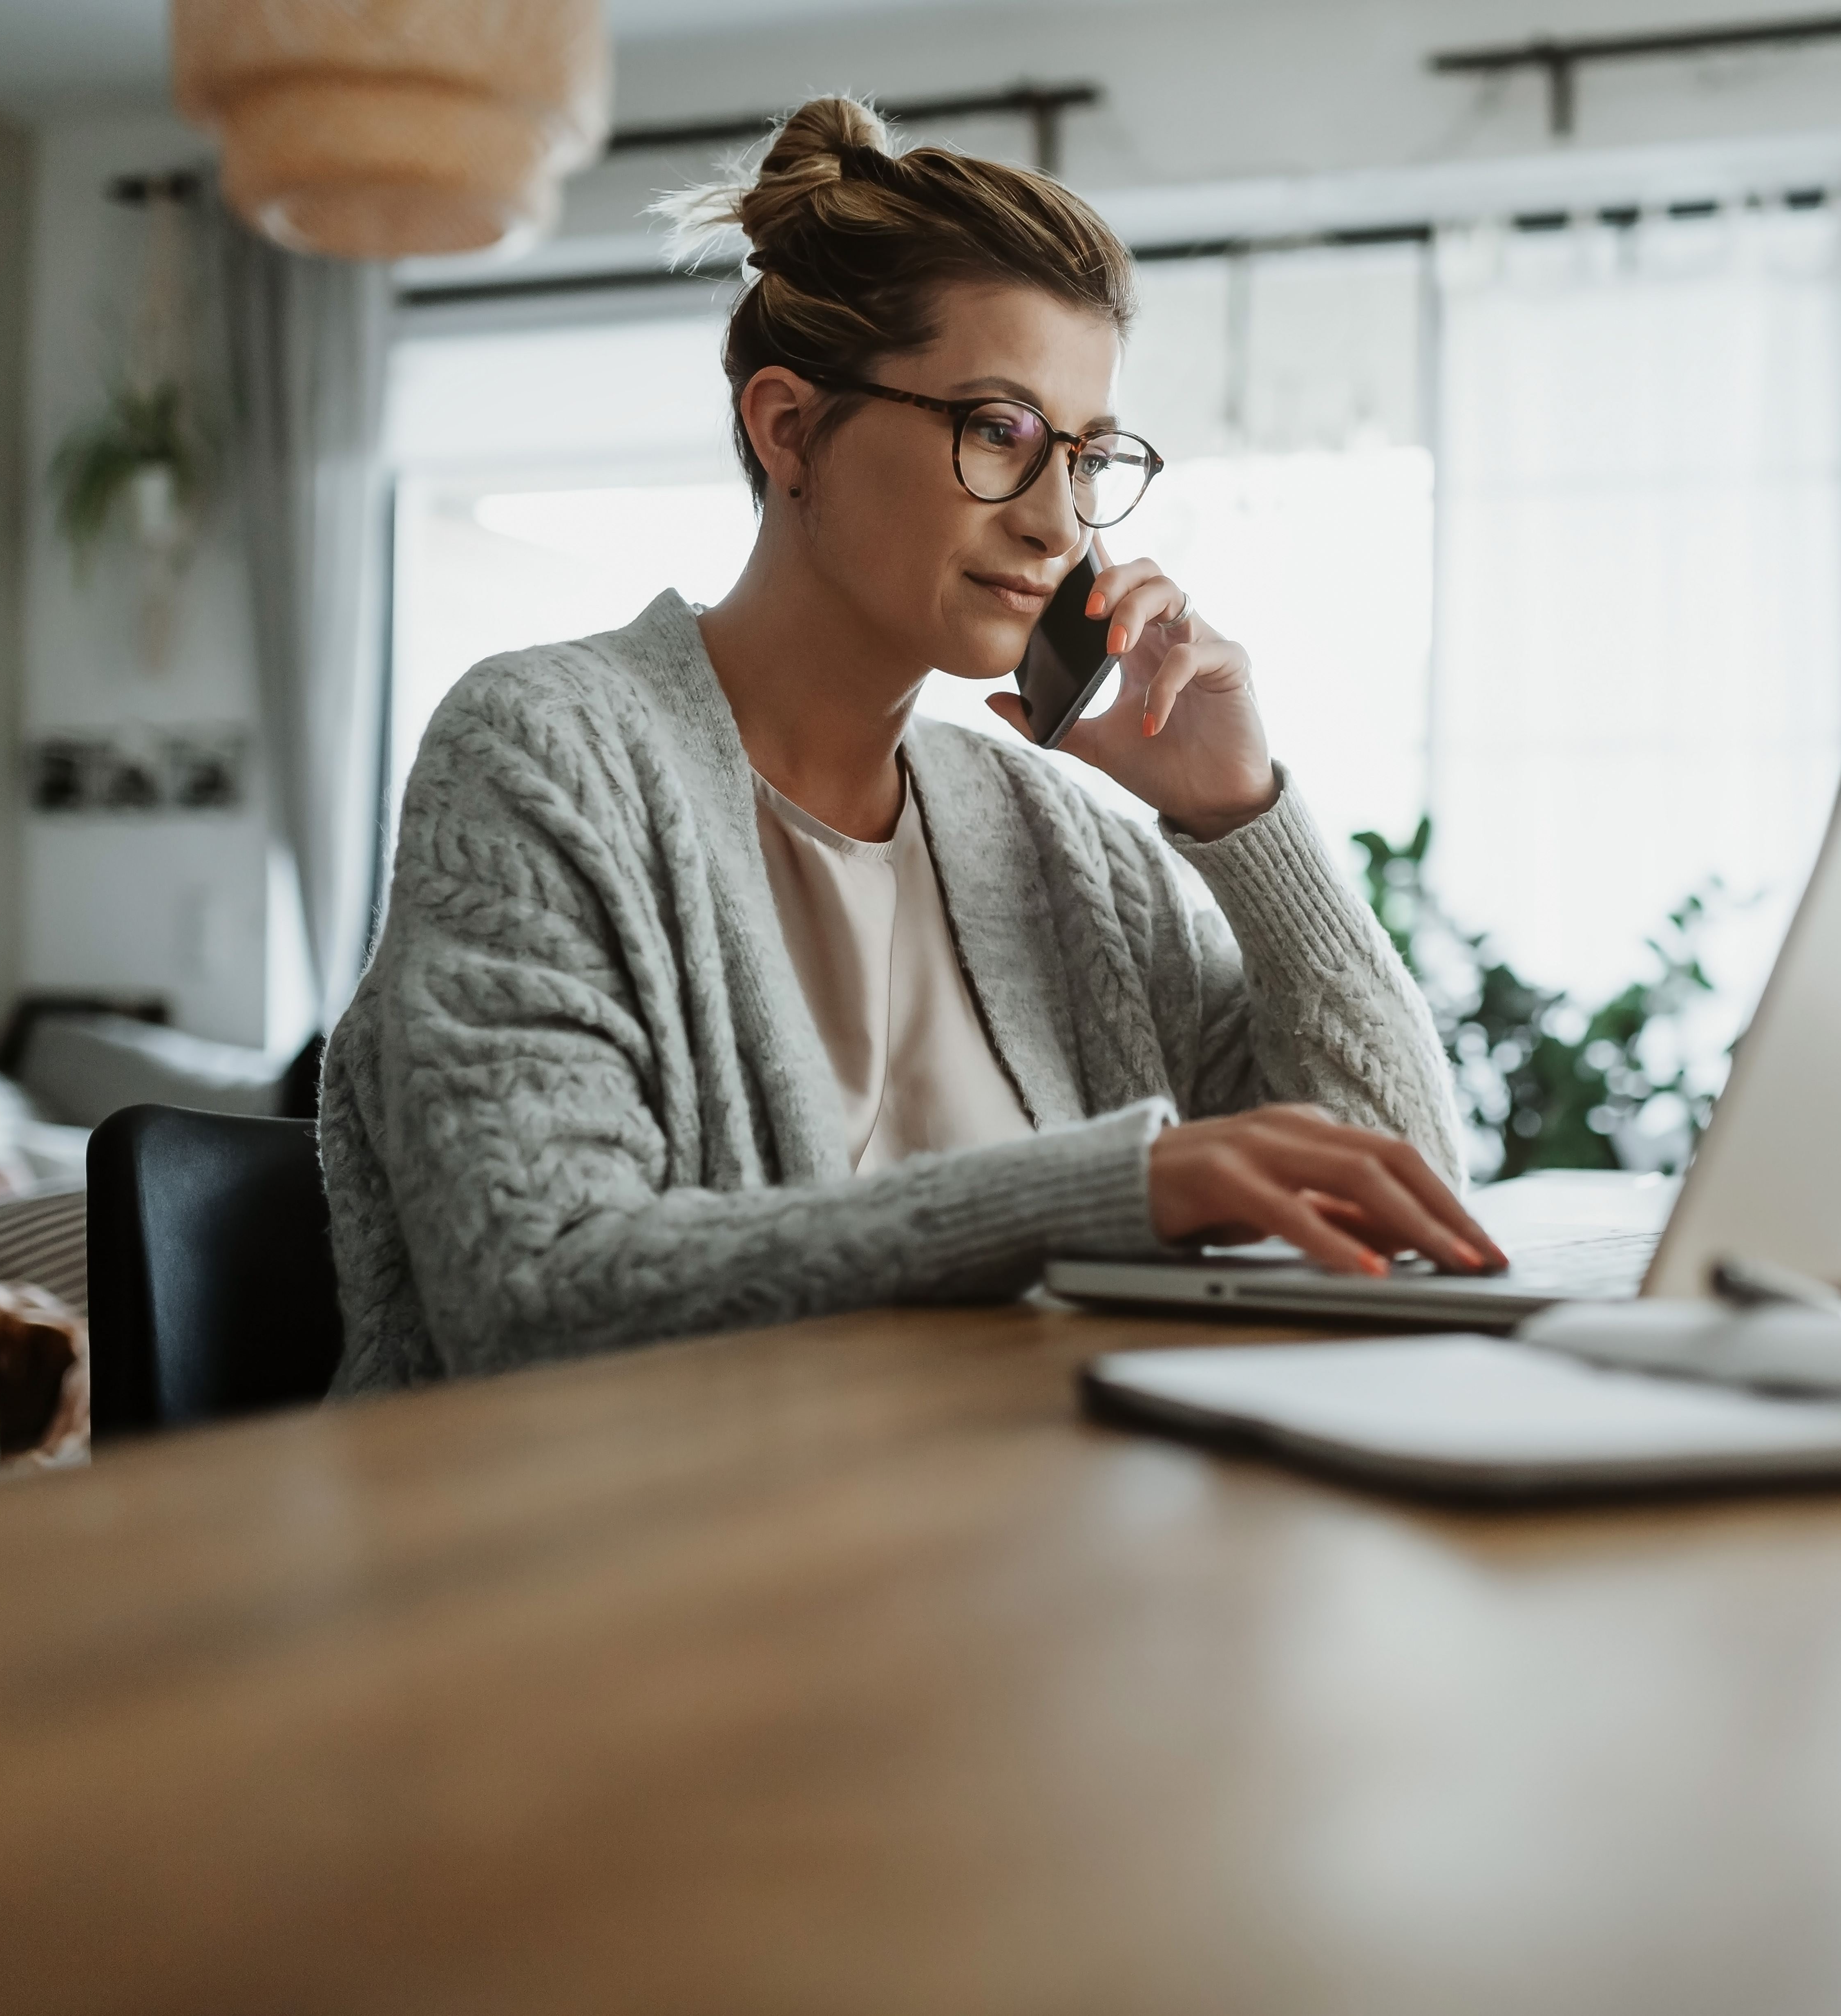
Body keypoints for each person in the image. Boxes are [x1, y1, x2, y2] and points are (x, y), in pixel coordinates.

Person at [319, 96, 1497, 1392]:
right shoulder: (543, 753)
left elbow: (1406, 1205)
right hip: (636, 1515)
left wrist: (1244, 820)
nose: (1061, 525)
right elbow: (534, 1292)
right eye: (999, 432)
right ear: (788, 431)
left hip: (1018, 1503)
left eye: (1087, 457)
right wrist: (1097, 1194)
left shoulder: (1066, 851)